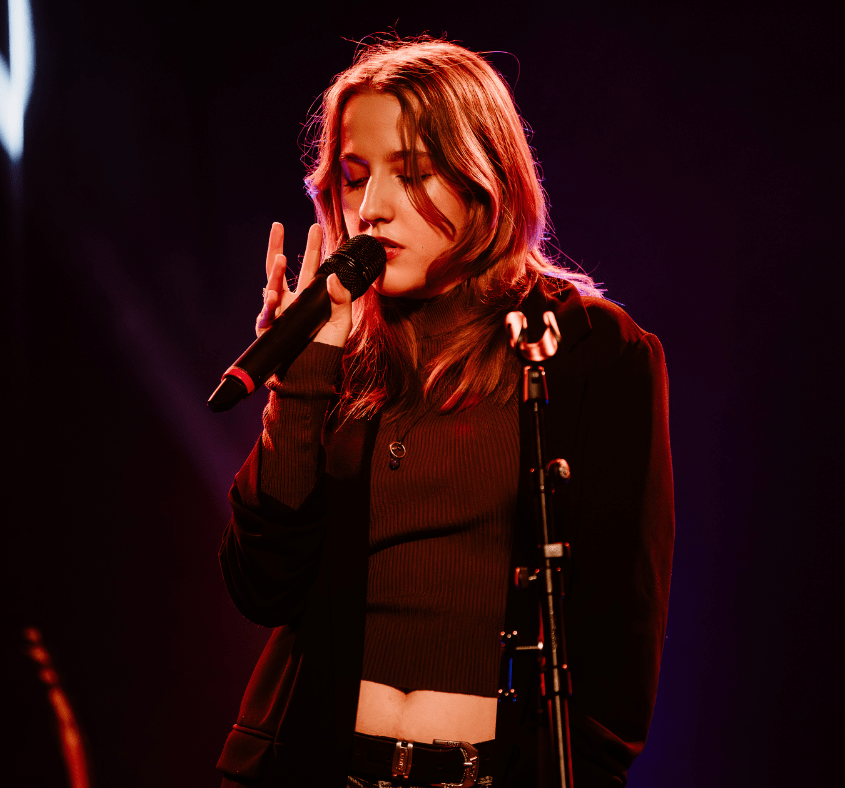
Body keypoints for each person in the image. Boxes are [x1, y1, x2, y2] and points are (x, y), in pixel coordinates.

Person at [216, 37, 674, 788]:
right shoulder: (338, 351)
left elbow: (621, 632)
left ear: (482, 178)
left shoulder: (590, 350)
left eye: (411, 173)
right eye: (354, 178)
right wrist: (299, 383)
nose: (371, 208)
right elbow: (261, 587)